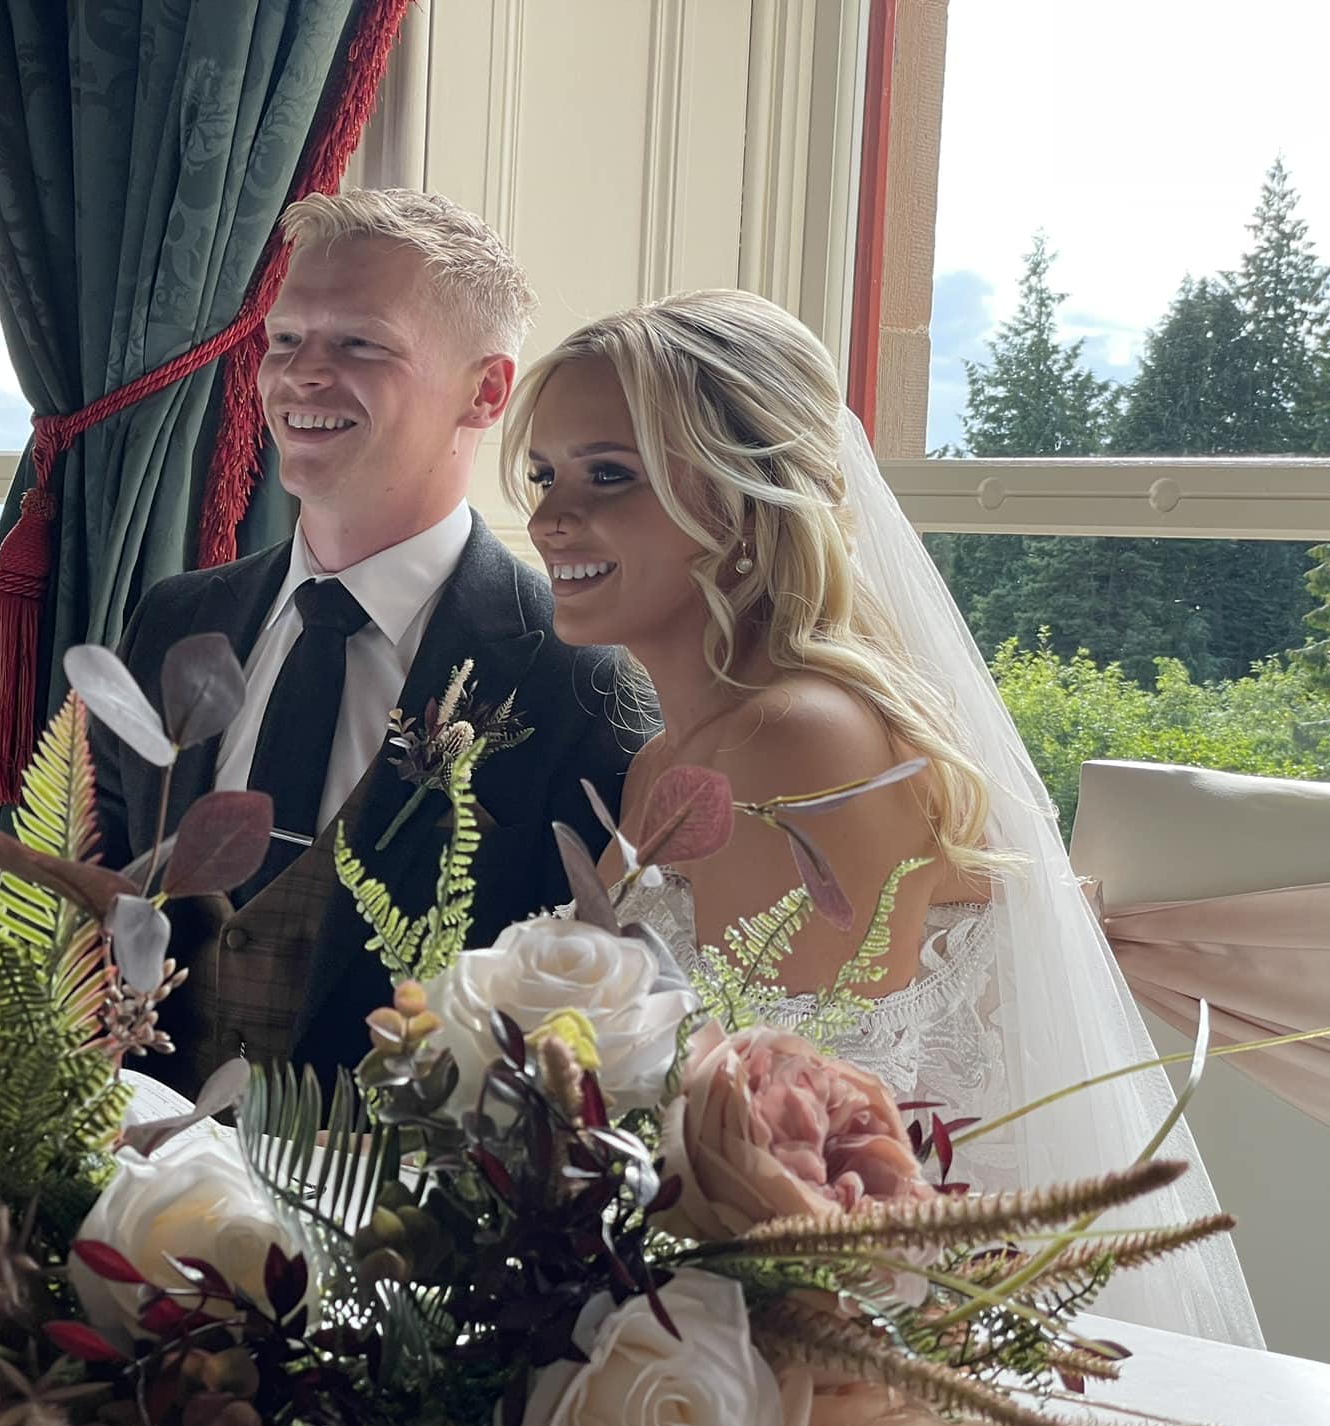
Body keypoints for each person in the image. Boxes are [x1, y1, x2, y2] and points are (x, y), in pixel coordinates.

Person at [506, 288, 1261, 1348]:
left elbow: (794, 1165)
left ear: (748, 500)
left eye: (609, 475)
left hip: (878, 1328)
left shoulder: (796, 743)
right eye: (545, 475)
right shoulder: (669, 759)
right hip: (720, 1293)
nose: (548, 519)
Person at [91, 188, 640, 1095]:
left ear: (486, 391)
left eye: (359, 344)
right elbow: (95, 898)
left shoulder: (580, 677)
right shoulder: (176, 620)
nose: (300, 374)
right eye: (284, 339)